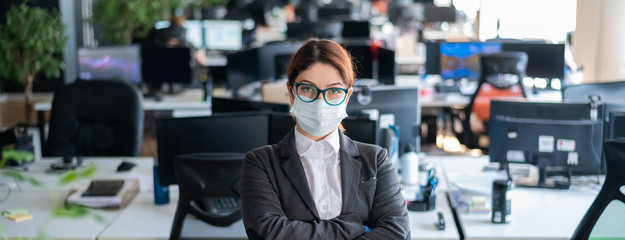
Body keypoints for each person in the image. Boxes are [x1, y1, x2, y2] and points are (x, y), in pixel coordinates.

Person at [240, 38, 410, 239]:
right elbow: (270, 233)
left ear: (347, 97)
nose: (321, 100)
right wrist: (356, 227)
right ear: (292, 93)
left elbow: (397, 232)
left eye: (335, 91)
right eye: (307, 89)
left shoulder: (375, 159)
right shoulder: (261, 164)